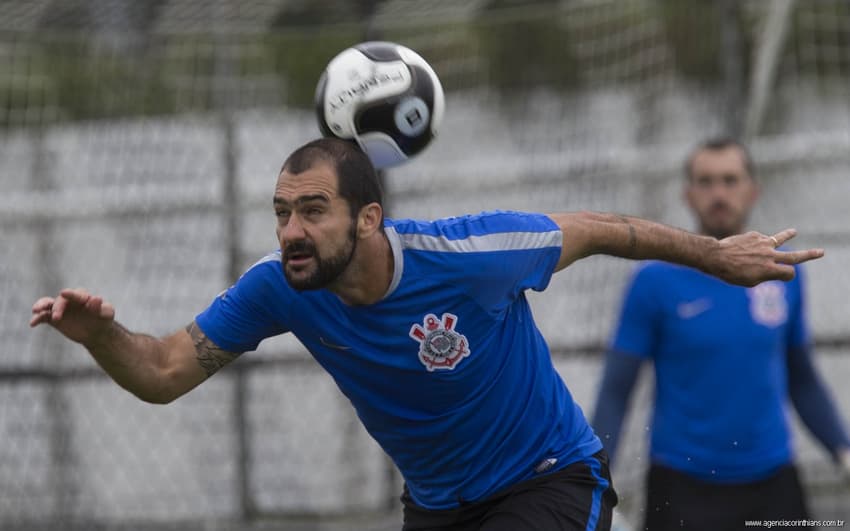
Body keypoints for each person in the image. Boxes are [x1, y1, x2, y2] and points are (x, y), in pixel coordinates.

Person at [31, 137, 824, 531]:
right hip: (439, 507)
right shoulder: (280, 289)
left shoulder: (474, 252)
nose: (291, 231)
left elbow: (603, 227)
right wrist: (100, 335)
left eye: (312, 210)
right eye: (280, 211)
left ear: (368, 218)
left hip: (548, 479)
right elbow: (166, 370)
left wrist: (716, 256)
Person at [592, 138, 850, 531]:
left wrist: (841, 448)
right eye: (706, 182)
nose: (719, 193)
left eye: (730, 180)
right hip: (681, 486)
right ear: (689, 195)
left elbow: (802, 376)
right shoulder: (653, 281)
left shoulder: (783, 274)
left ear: (752, 191)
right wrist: (593, 477)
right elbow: (616, 390)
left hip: (774, 483)